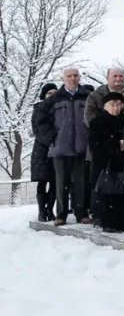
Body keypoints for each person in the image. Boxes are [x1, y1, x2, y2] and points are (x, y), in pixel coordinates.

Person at [43, 68, 90, 226]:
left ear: (79, 77)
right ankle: (61, 214)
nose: (72, 78)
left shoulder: (87, 96)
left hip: (81, 147)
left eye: (75, 75)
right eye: (69, 76)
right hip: (60, 148)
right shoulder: (55, 98)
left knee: (80, 182)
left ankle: (81, 213)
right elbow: (40, 118)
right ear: (63, 78)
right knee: (61, 182)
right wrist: (51, 137)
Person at [87, 91, 124, 233]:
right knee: (107, 193)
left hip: (123, 161)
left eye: (119, 104)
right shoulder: (98, 121)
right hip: (105, 162)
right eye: (113, 105)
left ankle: (122, 221)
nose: (116, 108)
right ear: (106, 106)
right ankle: (107, 222)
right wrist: (116, 145)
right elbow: (96, 144)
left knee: (123, 192)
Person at [30, 83, 59, 222]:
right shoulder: (38, 109)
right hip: (41, 149)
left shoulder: (60, 108)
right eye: (49, 93)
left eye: (54, 92)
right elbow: (36, 129)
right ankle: (41, 210)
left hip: (57, 148)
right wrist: (50, 139)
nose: (52, 95)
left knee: (55, 181)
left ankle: (50, 209)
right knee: (42, 181)